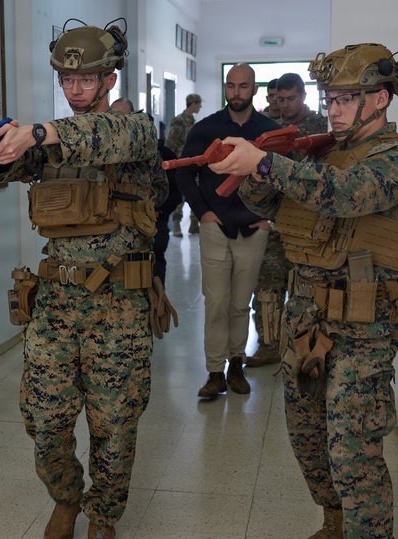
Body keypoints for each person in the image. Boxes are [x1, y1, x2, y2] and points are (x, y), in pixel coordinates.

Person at [210, 43, 398, 539]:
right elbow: (266, 205)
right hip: (306, 320)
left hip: (363, 325)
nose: (332, 110)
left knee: (355, 452)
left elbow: (344, 196)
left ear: (380, 99)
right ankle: (334, 527)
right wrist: (251, 170)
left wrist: (266, 163)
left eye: (344, 99)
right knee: (307, 437)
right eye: (329, 99)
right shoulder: (319, 153)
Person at [0, 18, 168, 539]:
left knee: (114, 423)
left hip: (119, 303)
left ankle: (104, 517)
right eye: (66, 80)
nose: (75, 89)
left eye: (86, 79)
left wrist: (40, 134)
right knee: (44, 420)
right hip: (57, 303)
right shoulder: (52, 141)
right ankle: (67, 497)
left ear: (109, 79)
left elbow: (115, 139)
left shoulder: (133, 129)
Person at [177, 64, 280, 399]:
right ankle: (214, 372)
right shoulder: (206, 129)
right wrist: (202, 211)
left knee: (240, 303)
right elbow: (182, 174)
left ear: (254, 88)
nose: (237, 92)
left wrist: (269, 216)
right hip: (215, 226)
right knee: (216, 301)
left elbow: (287, 176)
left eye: (244, 86)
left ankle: (236, 364)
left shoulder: (268, 130)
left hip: (254, 226)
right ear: (225, 87)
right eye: (231, 86)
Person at [248, 72, 328, 368]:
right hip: (274, 220)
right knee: (267, 288)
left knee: (308, 290)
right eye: (279, 99)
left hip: (309, 223)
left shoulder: (322, 126)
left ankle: (303, 345)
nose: (284, 104)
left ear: (303, 96)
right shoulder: (268, 128)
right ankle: (268, 345)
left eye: (290, 98)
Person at [110, 98, 179, 284]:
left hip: (146, 228)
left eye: (122, 117)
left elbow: (166, 189)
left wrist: (148, 207)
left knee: (151, 278)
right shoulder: (100, 150)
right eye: (112, 115)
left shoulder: (148, 152)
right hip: (108, 234)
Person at [165, 93, 202, 237]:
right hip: (180, 164)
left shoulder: (192, 121)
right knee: (180, 195)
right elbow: (170, 143)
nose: (200, 106)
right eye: (199, 104)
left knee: (196, 191)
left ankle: (194, 224)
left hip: (192, 163)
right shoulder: (179, 121)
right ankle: (176, 225)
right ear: (193, 103)